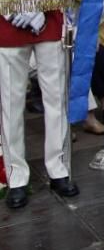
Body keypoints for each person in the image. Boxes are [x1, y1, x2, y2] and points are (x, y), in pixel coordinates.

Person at [0, 11, 77, 209]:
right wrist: (11, 10)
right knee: (11, 105)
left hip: (48, 17)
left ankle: (58, 169)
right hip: (6, 17)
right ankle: (16, 177)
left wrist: (40, 7)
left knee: (57, 99)